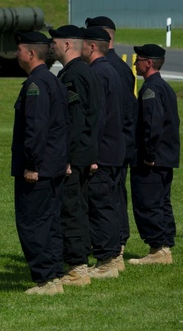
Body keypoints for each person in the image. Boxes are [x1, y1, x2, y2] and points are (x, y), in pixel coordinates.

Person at [12, 31, 69, 295]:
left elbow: (36, 128)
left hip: (41, 169)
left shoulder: (36, 84)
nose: (16, 54)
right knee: (51, 222)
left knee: (33, 223)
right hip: (54, 165)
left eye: (19, 49)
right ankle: (54, 275)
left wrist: (32, 165)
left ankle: (46, 279)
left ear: (31, 53)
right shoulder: (53, 81)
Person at [50, 25, 101, 287]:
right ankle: (79, 263)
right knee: (78, 207)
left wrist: (67, 157)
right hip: (84, 152)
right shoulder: (83, 71)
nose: (52, 46)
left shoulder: (73, 75)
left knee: (70, 209)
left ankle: (77, 268)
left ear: (67, 44)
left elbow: (75, 119)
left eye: (55, 41)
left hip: (74, 155)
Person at [86, 15, 137, 261]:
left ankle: (114, 246)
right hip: (119, 143)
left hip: (109, 145)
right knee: (114, 195)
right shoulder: (121, 68)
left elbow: (118, 112)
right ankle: (116, 244)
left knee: (107, 198)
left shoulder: (104, 69)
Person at [128, 44, 179, 266]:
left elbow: (151, 124)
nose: (135, 63)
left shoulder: (150, 89)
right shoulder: (164, 87)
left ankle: (157, 249)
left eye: (138, 60)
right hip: (165, 157)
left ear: (149, 63)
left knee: (147, 202)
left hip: (152, 159)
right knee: (161, 202)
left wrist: (148, 154)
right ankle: (164, 247)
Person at [81, 26, 126, 279]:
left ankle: (107, 262)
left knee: (100, 206)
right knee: (110, 204)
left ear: (92, 46)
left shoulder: (97, 73)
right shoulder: (111, 70)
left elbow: (97, 117)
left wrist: (91, 154)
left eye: (83, 43)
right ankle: (112, 258)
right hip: (114, 149)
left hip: (102, 152)